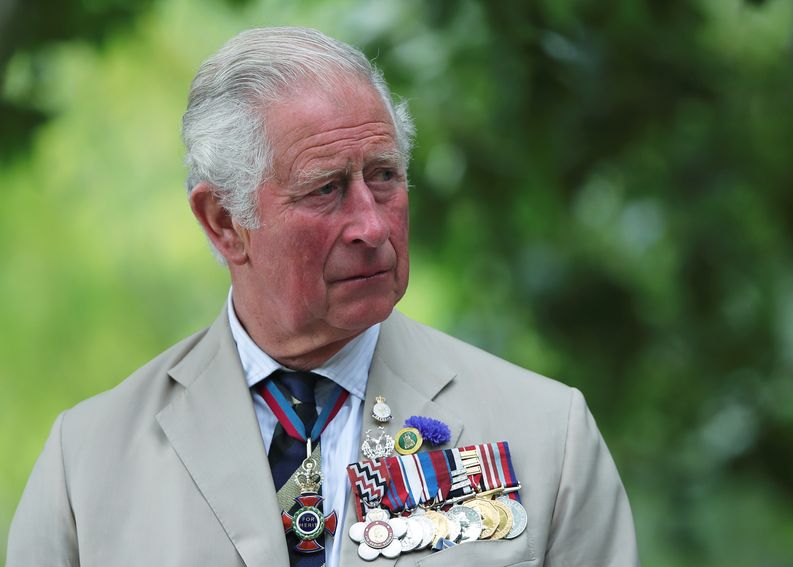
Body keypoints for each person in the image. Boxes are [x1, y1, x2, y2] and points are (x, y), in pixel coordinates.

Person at [6, 27, 639, 566]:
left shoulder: (548, 435)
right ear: (225, 221)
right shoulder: (87, 463)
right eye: (326, 189)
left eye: (384, 176)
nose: (371, 224)